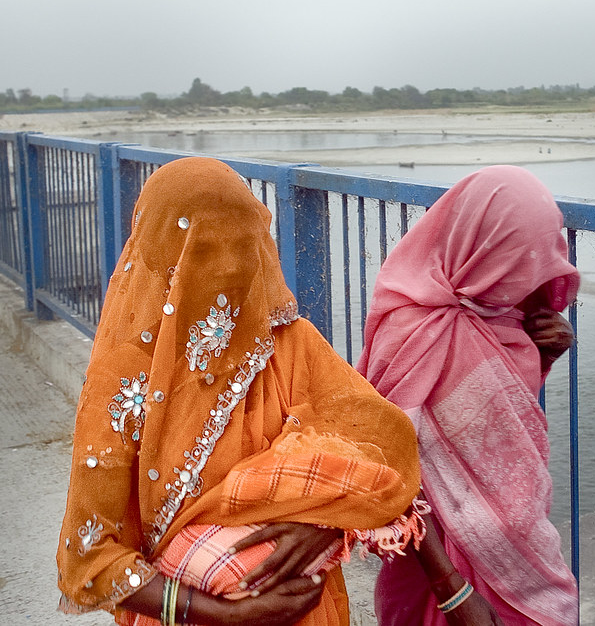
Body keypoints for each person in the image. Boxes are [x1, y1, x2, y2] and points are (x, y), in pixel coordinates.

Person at [57, 157, 423, 626]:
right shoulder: (125, 380)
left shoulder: (291, 344)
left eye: (242, 244)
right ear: (158, 254)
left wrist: (325, 523)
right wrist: (220, 613)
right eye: (205, 251)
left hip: (306, 609)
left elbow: (383, 447)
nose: (231, 267)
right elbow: (87, 558)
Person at [356, 165, 580, 626]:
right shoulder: (412, 332)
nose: (532, 277)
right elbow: (388, 469)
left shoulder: (502, 317)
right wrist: (452, 592)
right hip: (434, 566)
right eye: (520, 260)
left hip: (519, 549)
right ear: (484, 252)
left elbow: (496, 416)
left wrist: (545, 352)